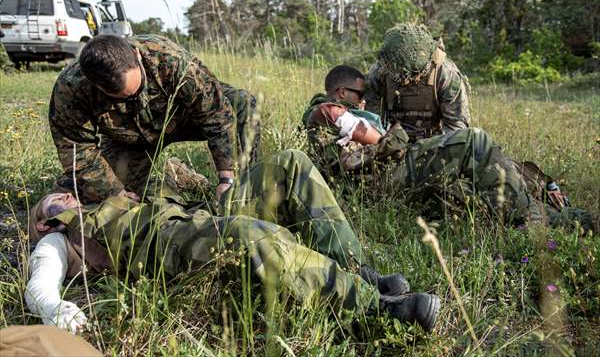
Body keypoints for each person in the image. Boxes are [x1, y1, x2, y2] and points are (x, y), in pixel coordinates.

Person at [25, 150, 440, 335]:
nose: (65, 197)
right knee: (246, 235)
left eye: (65, 193)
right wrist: (56, 307)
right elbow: (39, 287)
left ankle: (357, 271)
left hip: (198, 213)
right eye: (55, 201)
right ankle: (373, 311)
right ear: (45, 224)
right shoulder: (59, 240)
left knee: (289, 163)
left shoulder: (104, 195)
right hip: (173, 247)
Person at [303, 66, 598, 230]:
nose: (365, 99)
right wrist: (394, 137)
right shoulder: (327, 110)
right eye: (360, 93)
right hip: (381, 180)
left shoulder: (342, 111)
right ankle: (524, 217)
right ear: (342, 92)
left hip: (385, 174)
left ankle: (559, 210)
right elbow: (378, 142)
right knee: (474, 141)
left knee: (484, 172)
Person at [49, 34, 260, 204]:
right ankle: (177, 175)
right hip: (130, 141)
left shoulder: (169, 57)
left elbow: (216, 114)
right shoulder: (71, 89)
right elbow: (79, 153)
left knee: (242, 104)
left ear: (137, 55)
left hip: (183, 118)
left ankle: (247, 190)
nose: (134, 98)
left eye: (138, 88)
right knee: (86, 194)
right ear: (96, 85)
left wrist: (227, 178)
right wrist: (115, 193)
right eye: (122, 98)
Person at [364, 23, 471, 141]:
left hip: (433, 144)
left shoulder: (445, 74)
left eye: (410, 75)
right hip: (390, 142)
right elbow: (370, 121)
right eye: (398, 73)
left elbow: (456, 129)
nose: (404, 80)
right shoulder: (381, 71)